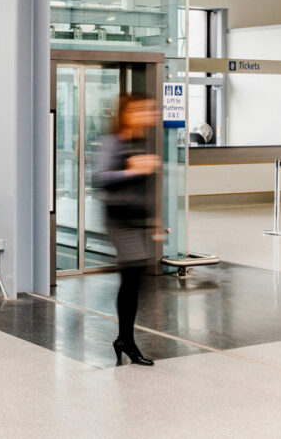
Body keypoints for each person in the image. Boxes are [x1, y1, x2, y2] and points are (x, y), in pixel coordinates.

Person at [95, 95, 160, 367]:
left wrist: (153, 220)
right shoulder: (114, 141)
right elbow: (100, 177)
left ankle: (124, 339)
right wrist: (133, 170)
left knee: (132, 279)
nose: (149, 114)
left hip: (135, 220)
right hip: (119, 221)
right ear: (127, 114)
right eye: (141, 110)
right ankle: (126, 341)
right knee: (131, 278)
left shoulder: (135, 142)